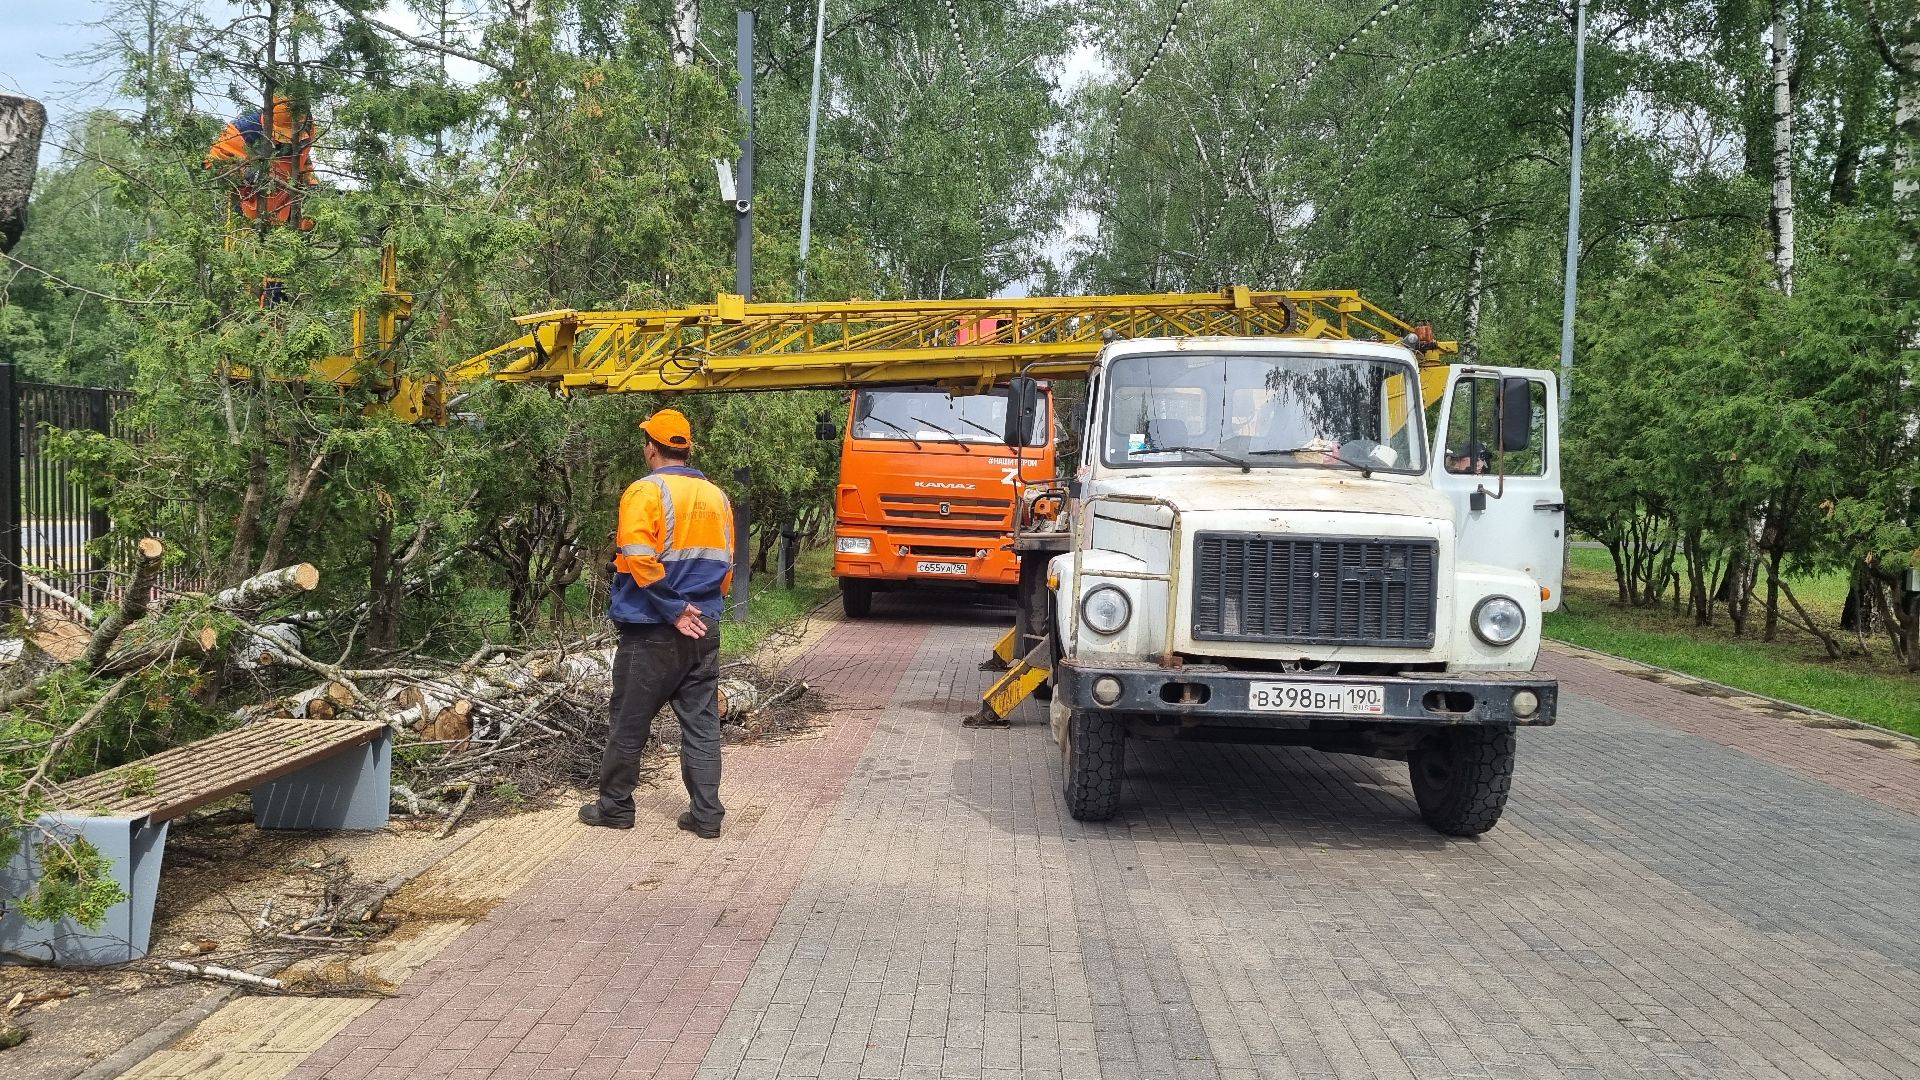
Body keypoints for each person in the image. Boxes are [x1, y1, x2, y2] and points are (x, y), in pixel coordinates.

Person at [581, 408, 736, 838]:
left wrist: (672, 610)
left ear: (651, 446)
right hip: (703, 626)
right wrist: (701, 610)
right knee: (702, 726)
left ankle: (614, 808)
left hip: (652, 627)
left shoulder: (643, 492)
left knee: (629, 721)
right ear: (685, 448)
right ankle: (707, 817)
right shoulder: (717, 497)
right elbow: (726, 566)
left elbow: (638, 558)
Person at [203, 96, 318, 232]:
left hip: (289, 201)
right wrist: (250, 174)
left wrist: (311, 182)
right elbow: (212, 166)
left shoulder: (307, 126)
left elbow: (304, 158)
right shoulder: (242, 129)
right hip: (251, 208)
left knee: (308, 226)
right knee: (250, 248)